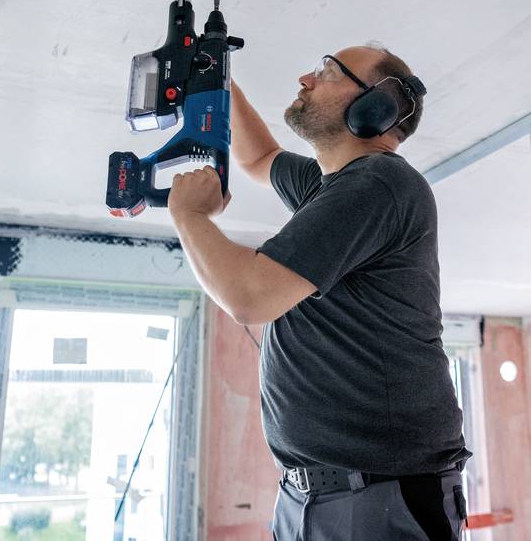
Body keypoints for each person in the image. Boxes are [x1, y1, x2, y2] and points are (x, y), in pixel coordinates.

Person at [167, 43, 470, 540]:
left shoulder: (379, 182)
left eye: (327, 72)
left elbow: (248, 295)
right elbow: (259, 157)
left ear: (379, 106)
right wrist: (218, 77)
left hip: (378, 496)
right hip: (320, 494)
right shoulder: (329, 185)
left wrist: (189, 215)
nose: (305, 79)